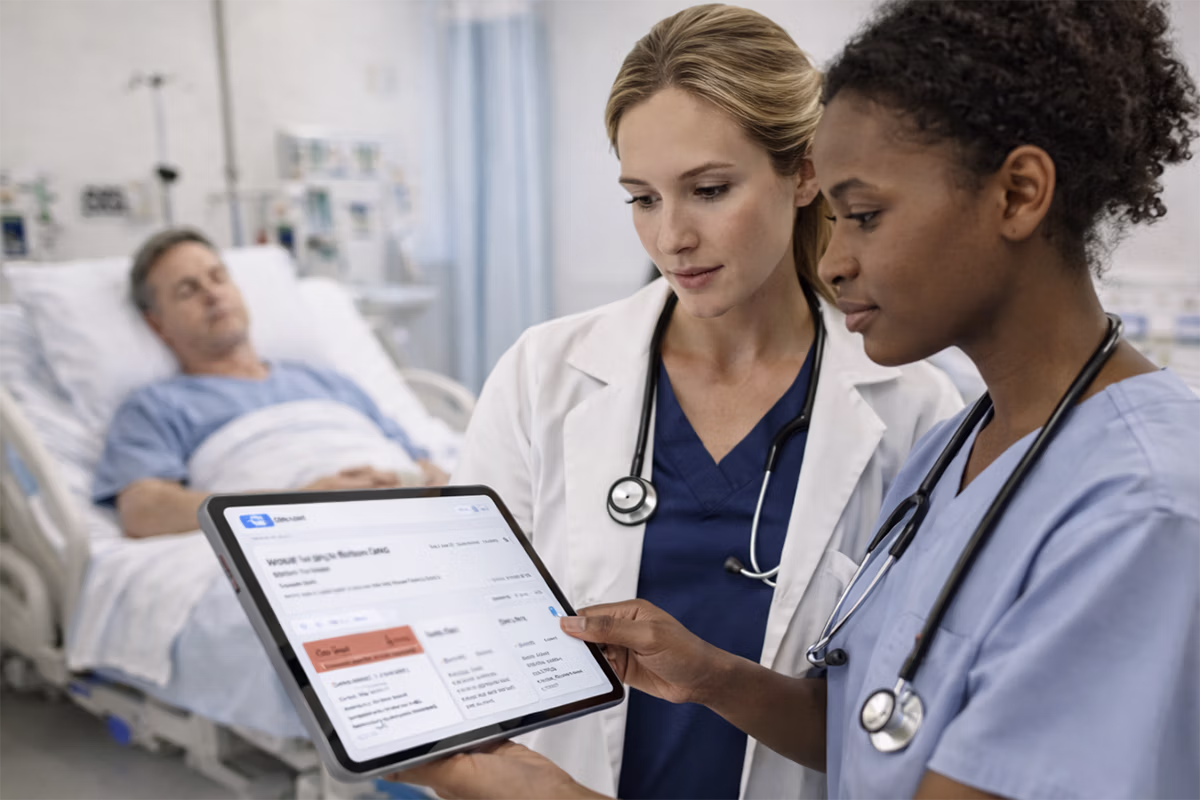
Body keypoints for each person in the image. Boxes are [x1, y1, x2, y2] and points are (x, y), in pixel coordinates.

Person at [392, 0, 1200, 798]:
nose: (838, 259)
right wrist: (712, 675)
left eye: (866, 215)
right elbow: (867, 716)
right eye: (641, 197)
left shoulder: (1133, 499)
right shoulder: (959, 448)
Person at [444, 6, 962, 800]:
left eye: (709, 190)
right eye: (642, 199)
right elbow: (469, 639)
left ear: (802, 172)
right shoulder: (544, 374)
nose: (672, 237)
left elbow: (905, 706)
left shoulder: (911, 403)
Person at [94, 228, 447, 539]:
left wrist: (425, 485)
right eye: (188, 290)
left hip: (409, 515)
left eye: (218, 277)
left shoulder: (327, 380)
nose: (212, 294)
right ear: (157, 324)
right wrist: (297, 505)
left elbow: (424, 465)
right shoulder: (157, 406)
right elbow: (144, 511)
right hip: (306, 534)